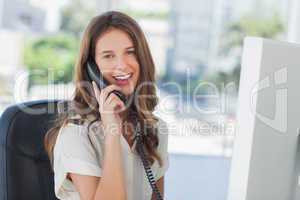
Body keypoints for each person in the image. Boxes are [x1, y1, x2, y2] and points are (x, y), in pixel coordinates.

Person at [44, 11, 169, 200]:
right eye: (108, 56)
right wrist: (112, 131)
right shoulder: (75, 134)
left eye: (130, 52)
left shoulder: (155, 129)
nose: (122, 65)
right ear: (92, 69)